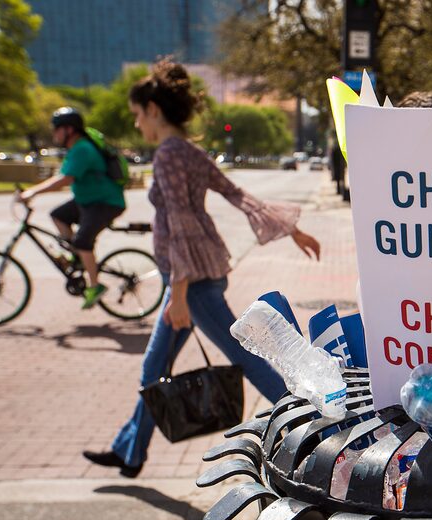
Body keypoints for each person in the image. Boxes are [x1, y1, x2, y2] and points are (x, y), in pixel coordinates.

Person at [83, 60, 321, 477]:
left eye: (138, 114)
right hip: (193, 278)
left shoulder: (169, 155)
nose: (137, 124)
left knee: (242, 358)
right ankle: (129, 452)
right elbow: (236, 193)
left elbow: (179, 226)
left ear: (154, 109)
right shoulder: (188, 151)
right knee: (154, 370)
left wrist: (177, 294)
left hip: (189, 284)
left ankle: (311, 433)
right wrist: (292, 230)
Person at [18, 107, 126, 308]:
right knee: (59, 216)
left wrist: (32, 192)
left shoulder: (83, 149)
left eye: (57, 129)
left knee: (83, 241)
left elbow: (65, 179)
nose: (54, 134)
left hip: (105, 202)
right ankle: (77, 257)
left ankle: (95, 286)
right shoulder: (76, 149)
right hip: (88, 201)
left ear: (69, 129)